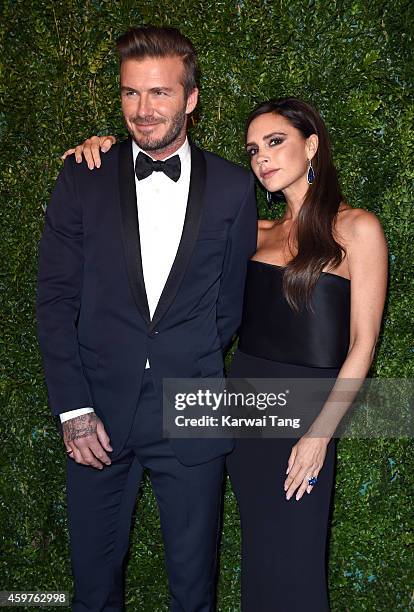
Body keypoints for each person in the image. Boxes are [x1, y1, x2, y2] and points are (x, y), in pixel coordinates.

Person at [74, 96, 388, 611]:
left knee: (297, 563)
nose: (261, 157)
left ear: (311, 146)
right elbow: (164, 232)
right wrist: (108, 154)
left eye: (275, 142)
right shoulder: (253, 231)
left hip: (307, 416)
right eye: (253, 150)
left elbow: (363, 346)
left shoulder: (358, 229)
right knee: (258, 559)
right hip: (240, 407)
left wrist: (317, 438)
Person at [36, 26, 257, 612]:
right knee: (93, 588)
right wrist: (75, 408)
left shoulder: (235, 188)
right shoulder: (82, 175)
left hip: (194, 410)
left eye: (159, 94)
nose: (142, 109)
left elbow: (229, 304)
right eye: (131, 93)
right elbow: (55, 299)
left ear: (190, 98)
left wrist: (190, 363)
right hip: (97, 418)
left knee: (194, 591)